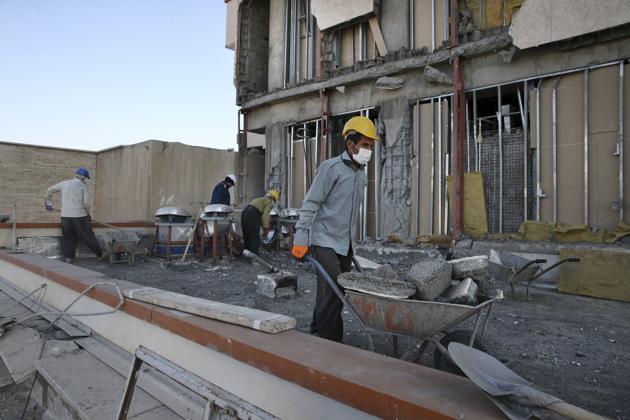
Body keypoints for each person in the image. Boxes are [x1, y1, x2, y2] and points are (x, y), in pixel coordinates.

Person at [291, 116, 378, 342]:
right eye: (365, 145)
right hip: (324, 241)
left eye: (371, 146)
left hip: (344, 244)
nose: (369, 150)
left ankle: (332, 340)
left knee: (339, 296)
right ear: (351, 144)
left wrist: (352, 245)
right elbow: (311, 204)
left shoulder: (361, 176)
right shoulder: (331, 169)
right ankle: (320, 338)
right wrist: (301, 239)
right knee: (332, 292)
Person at [45, 167, 107, 263]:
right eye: (86, 178)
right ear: (83, 177)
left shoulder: (64, 183)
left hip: (65, 216)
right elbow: (86, 203)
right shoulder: (82, 186)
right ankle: (100, 254)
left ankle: (69, 258)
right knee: (88, 236)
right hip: (80, 216)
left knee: (68, 237)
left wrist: (48, 203)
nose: (85, 180)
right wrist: (88, 214)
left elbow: (49, 190)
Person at [241, 189, 280, 254]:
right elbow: (265, 216)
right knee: (254, 237)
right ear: (273, 198)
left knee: (247, 235)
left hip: (245, 213)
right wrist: (266, 228)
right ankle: (254, 258)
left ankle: (246, 254)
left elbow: (260, 217)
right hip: (252, 214)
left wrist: (262, 225)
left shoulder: (260, 200)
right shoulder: (269, 201)